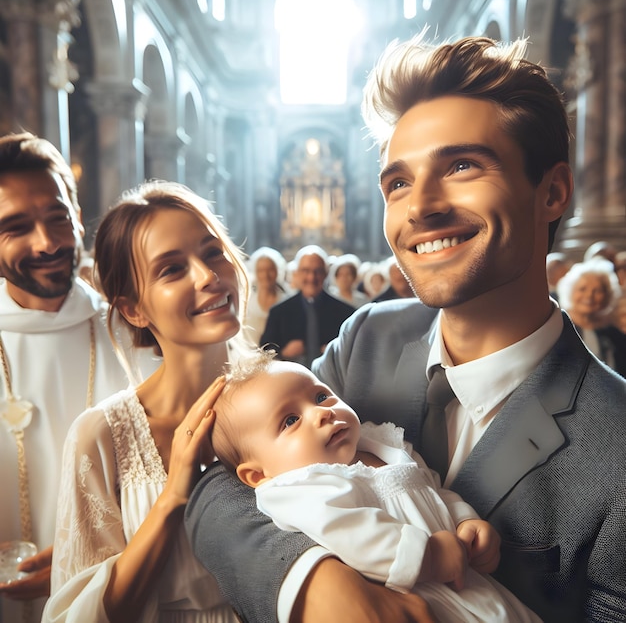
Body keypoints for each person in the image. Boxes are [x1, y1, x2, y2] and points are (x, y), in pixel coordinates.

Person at [185, 33, 626, 623]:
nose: (419, 207)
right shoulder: (367, 338)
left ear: (551, 192)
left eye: (462, 165)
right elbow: (222, 485)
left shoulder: (615, 443)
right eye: (397, 182)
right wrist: (307, 583)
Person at [42, 181, 264, 622]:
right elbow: (78, 615)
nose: (208, 275)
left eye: (213, 251)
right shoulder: (101, 436)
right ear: (133, 310)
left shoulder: (287, 393)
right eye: (172, 269)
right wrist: (172, 496)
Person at [211, 351, 541, 623]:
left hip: (469, 581)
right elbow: (352, 533)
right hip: (416, 596)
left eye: (321, 396)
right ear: (258, 474)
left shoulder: (381, 442)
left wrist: (463, 520)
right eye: (290, 420)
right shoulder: (297, 487)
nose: (321, 414)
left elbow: (432, 489)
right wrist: (429, 556)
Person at [0, 132, 153, 623]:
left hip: (112, 591)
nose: (46, 243)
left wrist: (80, 559)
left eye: (58, 218)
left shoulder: (133, 336)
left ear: (78, 217)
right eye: (16, 227)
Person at [260, 245, 354, 368]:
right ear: (296, 273)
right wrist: (283, 352)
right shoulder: (279, 312)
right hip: (292, 381)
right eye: (306, 271)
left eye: (318, 271)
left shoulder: (346, 312)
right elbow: (264, 352)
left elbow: (356, 352)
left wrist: (338, 351)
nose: (311, 277)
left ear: (326, 274)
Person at [557, 258, 626, 376]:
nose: (589, 295)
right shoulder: (558, 329)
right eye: (582, 289)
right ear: (569, 291)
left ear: (607, 295)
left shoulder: (614, 334)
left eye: (598, 290)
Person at [245, 246, 290, 345]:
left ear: (278, 270)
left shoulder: (287, 302)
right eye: (260, 270)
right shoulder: (247, 303)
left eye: (270, 270)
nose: (265, 275)